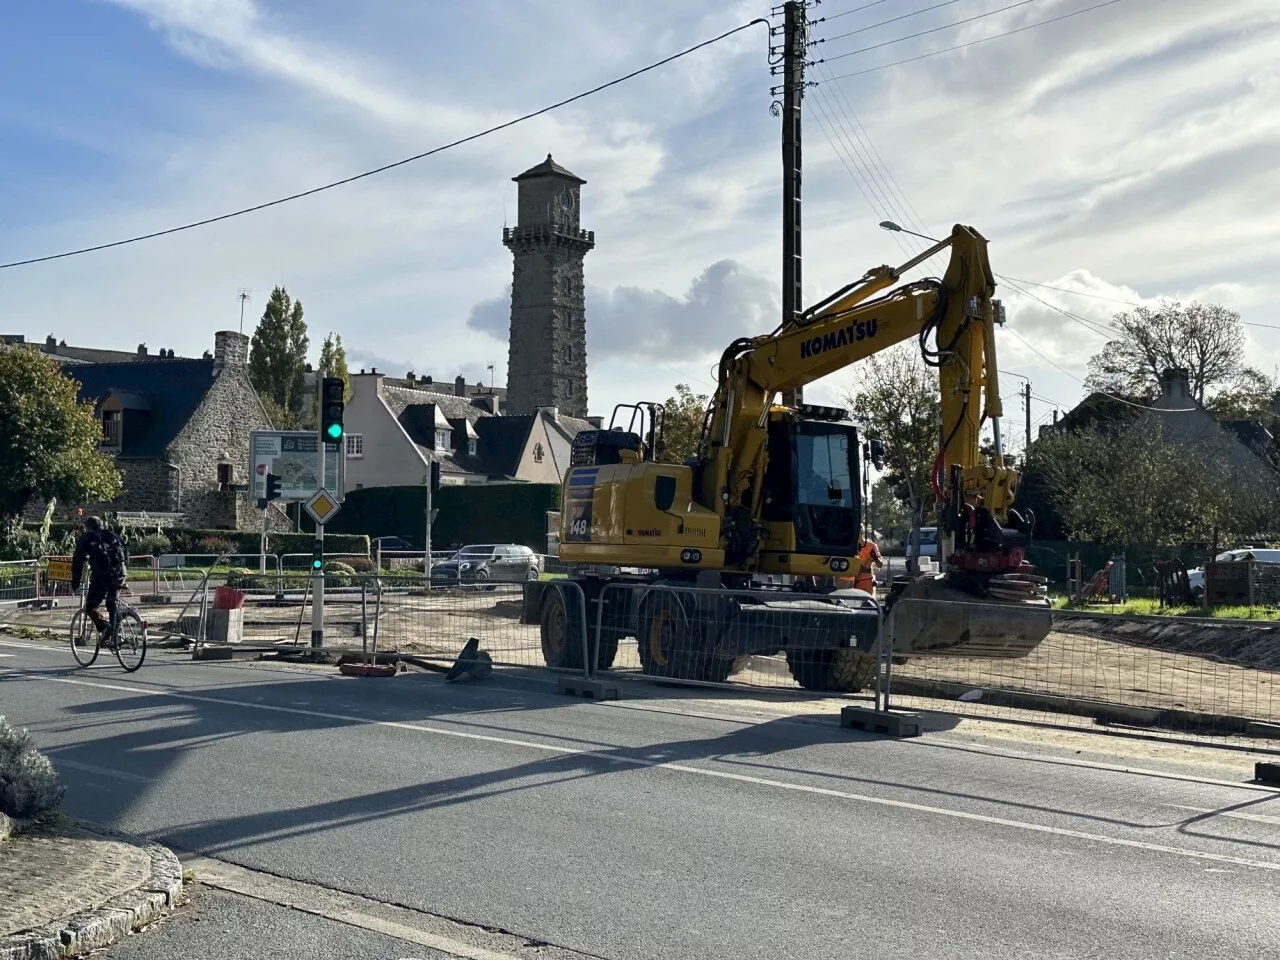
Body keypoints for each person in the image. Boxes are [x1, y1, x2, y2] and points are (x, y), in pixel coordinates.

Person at [71, 517, 128, 638]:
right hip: (120, 573)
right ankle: (114, 634)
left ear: (88, 527)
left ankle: (106, 626)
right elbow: (126, 555)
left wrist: (75, 582)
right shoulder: (114, 536)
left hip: (102, 576)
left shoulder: (86, 538)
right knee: (111, 602)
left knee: (90, 606)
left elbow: (77, 562)